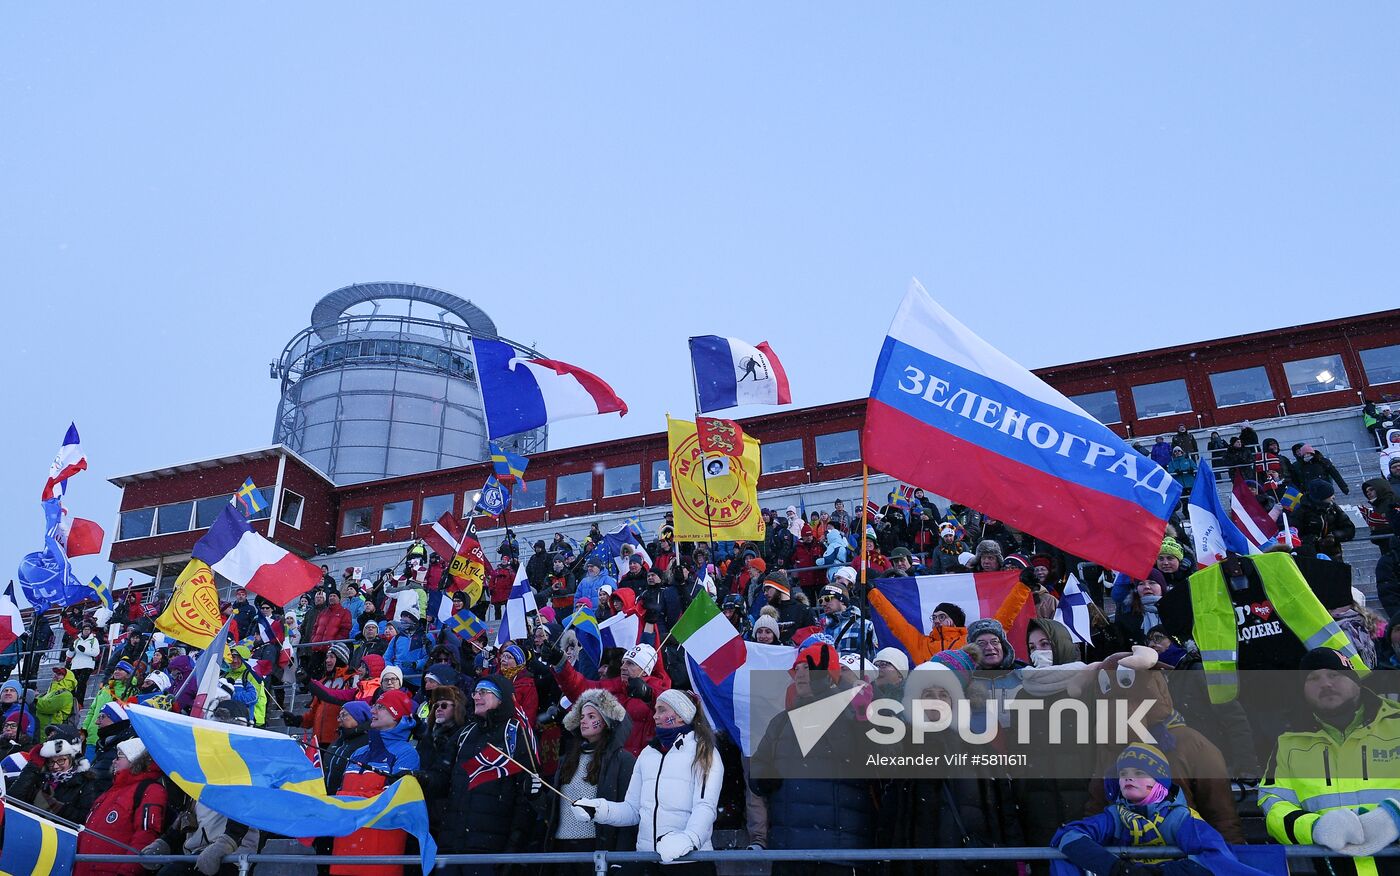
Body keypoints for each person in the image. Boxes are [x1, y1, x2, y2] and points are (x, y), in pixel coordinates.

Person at [1258, 648, 1400, 874]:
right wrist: (1314, 828)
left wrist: (1395, 816)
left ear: (1356, 681)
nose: (1325, 684)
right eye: (1312, 678)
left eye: (1334, 674)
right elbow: (1273, 804)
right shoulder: (1289, 743)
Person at [1052, 743, 1270, 875]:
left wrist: (1159, 874)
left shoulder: (1180, 817)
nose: (1128, 776)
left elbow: (1215, 855)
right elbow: (1068, 835)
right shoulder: (1114, 816)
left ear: (1158, 781)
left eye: (1139, 773)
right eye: (1123, 772)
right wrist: (1116, 869)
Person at [575, 689, 722, 872]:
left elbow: (705, 807)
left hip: (690, 862)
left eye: (662, 710)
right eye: (655, 710)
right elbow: (632, 810)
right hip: (648, 860)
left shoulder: (704, 752)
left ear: (680, 715)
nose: (655, 716)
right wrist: (598, 809)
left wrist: (688, 840)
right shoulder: (648, 754)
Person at [438, 674, 537, 872]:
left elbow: (525, 797)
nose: (476, 697)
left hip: (490, 849)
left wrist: (513, 848)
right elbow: (441, 776)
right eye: (475, 692)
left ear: (501, 699)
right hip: (452, 844)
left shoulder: (515, 733)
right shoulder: (465, 733)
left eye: (484, 692)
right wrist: (421, 779)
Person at [540, 690, 638, 872]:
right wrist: (535, 795)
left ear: (606, 722)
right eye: (582, 716)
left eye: (591, 716)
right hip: (561, 851)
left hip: (596, 851)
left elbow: (630, 814)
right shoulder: (566, 760)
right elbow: (551, 810)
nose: (583, 720)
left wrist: (621, 859)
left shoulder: (623, 760)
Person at [76, 738, 168, 876]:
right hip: (84, 868)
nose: (114, 761)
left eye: (119, 756)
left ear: (135, 760)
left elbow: (146, 836)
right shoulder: (113, 790)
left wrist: (127, 872)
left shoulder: (150, 790)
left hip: (109, 871)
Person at [7, 724, 98, 823]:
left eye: (61, 760)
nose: (55, 766)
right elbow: (13, 799)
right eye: (51, 761)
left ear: (72, 759)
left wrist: (55, 806)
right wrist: (33, 765)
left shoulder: (85, 782)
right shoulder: (40, 775)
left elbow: (86, 819)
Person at [1297, 479, 1357, 562]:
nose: (1333, 497)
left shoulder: (1333, 508)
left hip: (1333, 557)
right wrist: (1314, 540)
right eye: (1330, 495)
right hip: (1311, 557)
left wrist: (1333, 536)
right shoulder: (1301, 512)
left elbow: (1349, 529)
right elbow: (1294, 534)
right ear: (1321, 497)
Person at [322, 700, 371, 795]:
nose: (339, 720)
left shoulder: (368, 742)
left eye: (344, 715)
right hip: (328, 799)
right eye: (339, 716)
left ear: (359, 717)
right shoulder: (339, 740)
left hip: (350, 800)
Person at [36, 665, 78, 736]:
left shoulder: (66, 695)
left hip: (51, 733)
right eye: (56, 673)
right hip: (42, 731)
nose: (56, 675)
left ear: (68, 679)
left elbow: (47, 707)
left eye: (60, 674)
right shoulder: (48, 693)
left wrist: (34, 701)